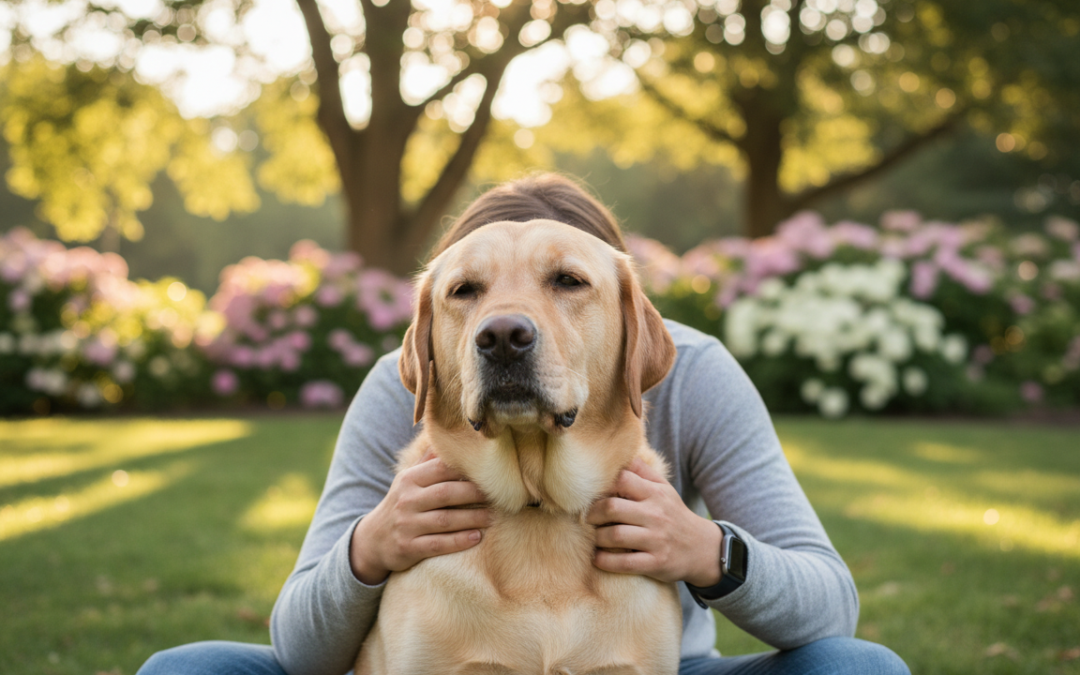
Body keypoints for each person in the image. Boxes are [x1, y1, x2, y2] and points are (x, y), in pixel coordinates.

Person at [138, 173, 910, 675]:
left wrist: (705, 551)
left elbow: (830, 606)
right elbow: (300, 650)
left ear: (628, 325)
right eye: (469, 292)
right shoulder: (394, 386)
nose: (506, 323)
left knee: (862, 668)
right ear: (431, 343)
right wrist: (369, 547)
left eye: (566, 281)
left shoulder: (697, 370)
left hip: (675, 660)